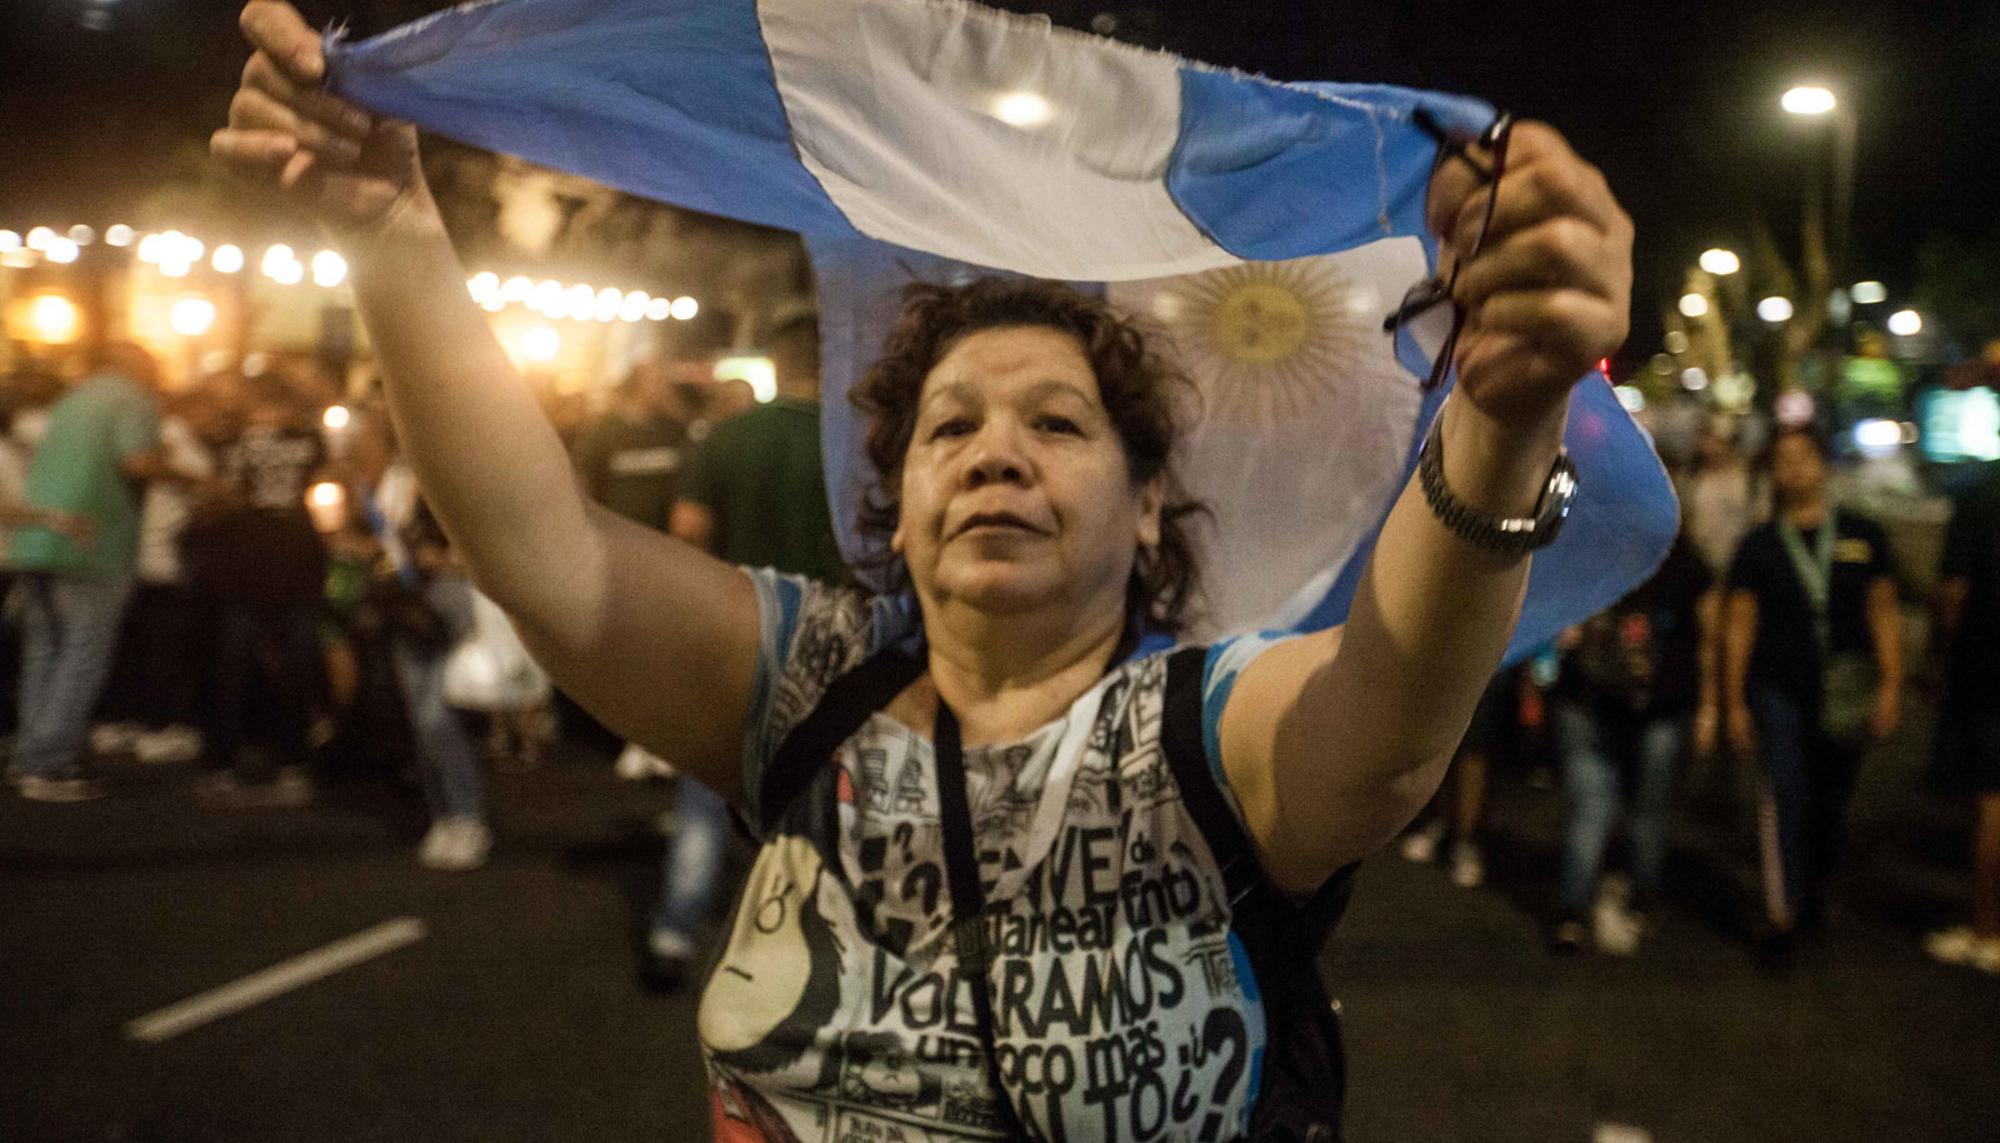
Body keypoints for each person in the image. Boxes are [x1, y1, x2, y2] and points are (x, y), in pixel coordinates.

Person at [216, 5, 1632, 1134]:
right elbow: (543, 550)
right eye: (951, 422)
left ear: (1150, 510)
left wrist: (1504, 421)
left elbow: (1387, 733)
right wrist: (389, 230)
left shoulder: (1209, 724)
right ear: (892, 505)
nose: (994, 450)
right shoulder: (803, 684)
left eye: (1058, 422)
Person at [642, 315, 847, 987]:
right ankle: (806, 946)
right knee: (818, 804)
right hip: (833, 650)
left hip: (731, 638)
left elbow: (687, 533)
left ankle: (674, 930)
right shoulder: (851, 446)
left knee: (705, 794)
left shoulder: (724, 440)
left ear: (779, 364)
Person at [1723, 425, 1902, 964]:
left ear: (1824, 466)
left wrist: (1893, 685)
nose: (1795, 469)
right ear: (1772, 473)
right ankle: (1781, 914)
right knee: (1785, 796)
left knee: (1831, 800)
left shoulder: (1863, 534)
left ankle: (1816, 887)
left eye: (1805, 458)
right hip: (1778, 689)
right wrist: (1732, 701)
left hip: (1846, 690)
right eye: (1784, 460)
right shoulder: (1757, 545)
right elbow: (1739, 625)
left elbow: (1884, 613)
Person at [7, 343, 191, 802]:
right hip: (94, 543)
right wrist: (193, 479)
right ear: (140, 367)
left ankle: (32, 751)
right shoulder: (132, 398)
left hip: (37, 539)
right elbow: (136, 462)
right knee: (83, 653)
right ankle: (49, 763)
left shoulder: (73, 399)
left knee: (44, 651)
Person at [1548, 532, 1716, 954]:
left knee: (1593, 808)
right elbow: (1710, 634)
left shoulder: (1584, 546)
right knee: (1646, 809)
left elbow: (1551, 624)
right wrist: (1709, 706)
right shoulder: (1684, 559)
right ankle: (1637, 903)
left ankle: (1574, 912)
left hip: (1591, 700)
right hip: (1654, 703)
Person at [194, 371, 330, 807]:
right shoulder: (310, 441)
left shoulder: (232, 444)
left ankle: (223, 766)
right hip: (299, 558)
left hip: (246, 561)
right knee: (298, 664)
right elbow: (331, 488)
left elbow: (220, 499)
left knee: (231, 664)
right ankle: (293, 763)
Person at [1924, 468, 2000, 972]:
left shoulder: (1981, 498)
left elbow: (1953, 592)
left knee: (1992, 798)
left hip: (1988, 664)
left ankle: (1986, 929)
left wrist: (1936, 657)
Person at [573, 360, 691, 535]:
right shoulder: (605, 429)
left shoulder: (672, 428)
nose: (663, 388)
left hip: (663, 535)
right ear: (638, 384)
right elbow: (586, 479)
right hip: (619, 533)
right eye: (657, 381)